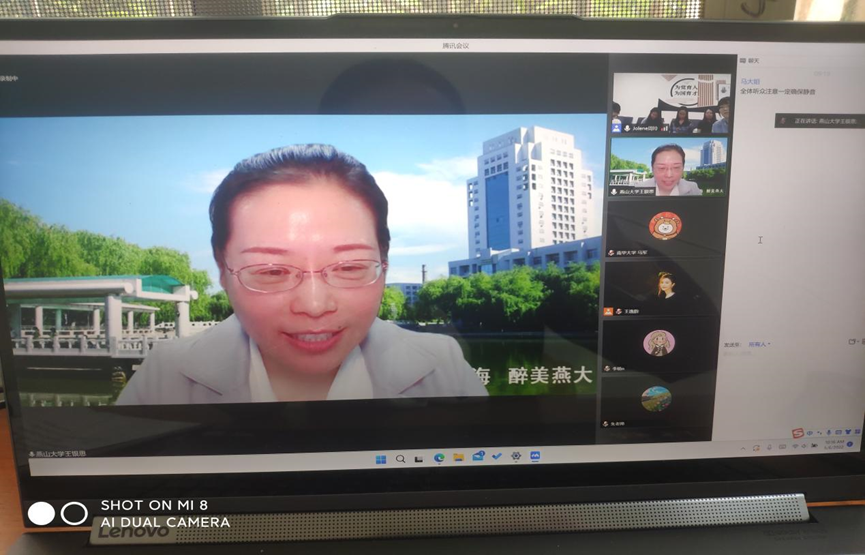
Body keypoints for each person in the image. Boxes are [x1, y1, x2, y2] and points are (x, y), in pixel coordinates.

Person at [117, 144, 489, 405]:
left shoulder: (442, 368)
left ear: (384, 262)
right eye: (272, 270)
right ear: (222, 271)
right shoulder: (165, 377)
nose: (314, 305)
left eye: (349, 267)